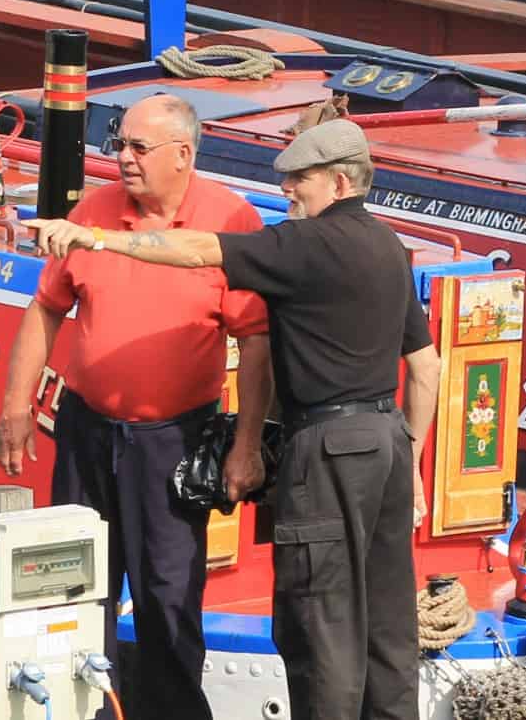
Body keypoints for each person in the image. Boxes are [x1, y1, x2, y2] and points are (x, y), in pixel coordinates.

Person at [32, 116, 438, 720]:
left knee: (319, 622)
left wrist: (96, 239)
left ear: (338, 181)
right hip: (386, 442)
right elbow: (426, 367)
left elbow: (197, 248)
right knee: (387, 626)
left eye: (300, 179)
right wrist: (411, 457)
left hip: (325, 448)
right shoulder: (389, 247)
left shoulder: (304, 245)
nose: (288, 192)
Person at [0, 94, 270, 720]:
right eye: (119, 144)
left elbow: (257, 344)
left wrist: (246, 443)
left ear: (184, 154)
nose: (123, 158)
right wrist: (17, 405)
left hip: (173, 442)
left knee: (167, 597)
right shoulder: (93, 211)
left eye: (138, 148)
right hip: (88, 433)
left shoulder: (231, 222)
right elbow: (46, 307)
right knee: (74, 592)